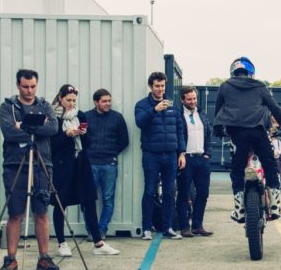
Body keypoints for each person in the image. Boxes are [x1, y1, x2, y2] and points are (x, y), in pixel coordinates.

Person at [0, 69, 60, 270]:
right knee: (15, 213)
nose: (29, 90)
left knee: (41, 212)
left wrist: (22, 127)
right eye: (25, 86)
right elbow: (8, 132)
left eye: (33, 86)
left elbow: (53, 129)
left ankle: (44, 257)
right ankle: (11, 259)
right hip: (16, 165)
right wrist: (33, 128)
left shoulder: (44, 105)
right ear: (18, 85)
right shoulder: (8, 106)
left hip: (42, 164)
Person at [213, 57, 281, 223]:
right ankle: (275, 204)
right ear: (251, 72)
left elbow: (218, 109)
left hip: (237, 134)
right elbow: (274, 108)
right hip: (258, 131)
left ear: (232, 72)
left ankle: (239, 209)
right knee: (269, 163)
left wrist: (218, 129)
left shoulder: (225, 86)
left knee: (237, 169)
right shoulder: (259, 86)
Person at [50, 84, 120, 257]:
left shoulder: (80, 115)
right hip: (61, 165)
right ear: (60, 98)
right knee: (61, 203)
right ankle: (62, 243)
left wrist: (83, 133)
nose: (71, 103)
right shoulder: (53, 117)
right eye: (68, 100)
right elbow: (51, 145)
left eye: (74, 100)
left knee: (89, 200)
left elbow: (88, 143)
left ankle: (98, 243)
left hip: (81, 161)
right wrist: (67, 136)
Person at [135, 72, 186, 240]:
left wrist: (182, 153)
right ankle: (147, 228)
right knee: (150, 191)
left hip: (171, 155)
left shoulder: (173, 105)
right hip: (151, 155)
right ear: (151, 86)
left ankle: (168, 228)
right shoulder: (142, 105)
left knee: (169, 192)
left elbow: (179, 129)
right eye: (157, 86)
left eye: (163, 86)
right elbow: (140, 122)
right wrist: (154, 110)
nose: (160, 89)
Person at [85, 88, 130, 237]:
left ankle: (101, 229)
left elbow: (125, 141)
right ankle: (91, 230)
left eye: (109, 101)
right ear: (96, 102)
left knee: (108, 199)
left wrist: (111, 153)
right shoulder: (86, 117)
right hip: (90, 164)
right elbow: (81, 139)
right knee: (87, 199)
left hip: (109, 164)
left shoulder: (117, 118)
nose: (107, 104)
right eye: (104, 101)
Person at [176, 86, 213, 237]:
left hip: (201, 159)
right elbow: (177, 136)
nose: (193, 101)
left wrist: (208, 154)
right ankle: (185, 227)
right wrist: (180, 153)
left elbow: (209, 135)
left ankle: (198, 225)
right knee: (184, 195)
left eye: (194, 98)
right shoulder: (178, 116)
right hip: (186, 159)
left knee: (203, 194)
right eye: (189, 99)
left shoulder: (202, 115)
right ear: (182, 100)